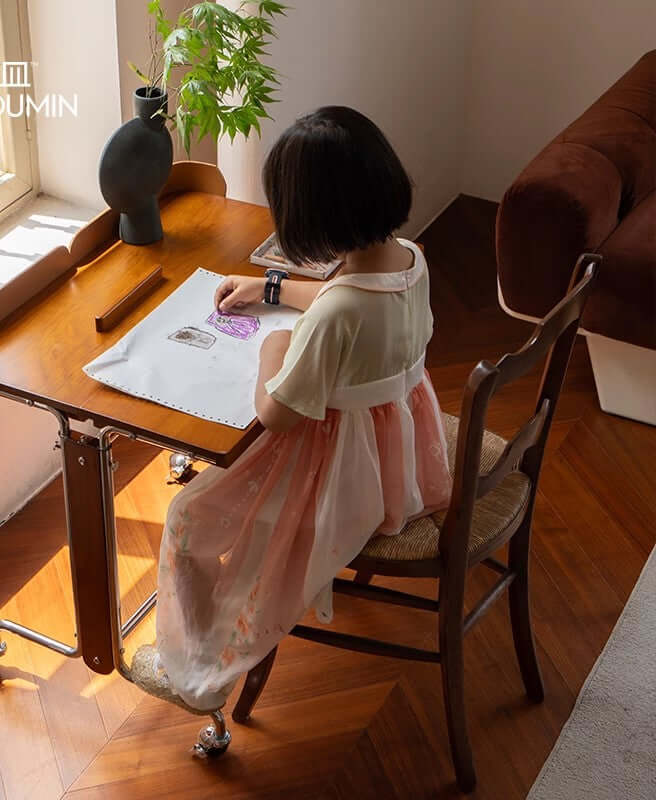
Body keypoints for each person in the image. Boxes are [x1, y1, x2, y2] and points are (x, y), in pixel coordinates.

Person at [131, 106, 452, 712]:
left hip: (335, 476)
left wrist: (272, 350)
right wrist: (270, 286)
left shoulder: (334, 317)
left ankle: (205, 661)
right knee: (204, 508)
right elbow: (351, 297)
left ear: (313, 221)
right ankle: (212, 644)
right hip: (395, 454)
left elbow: (277, 413)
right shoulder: (411, 257)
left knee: (188, 516)